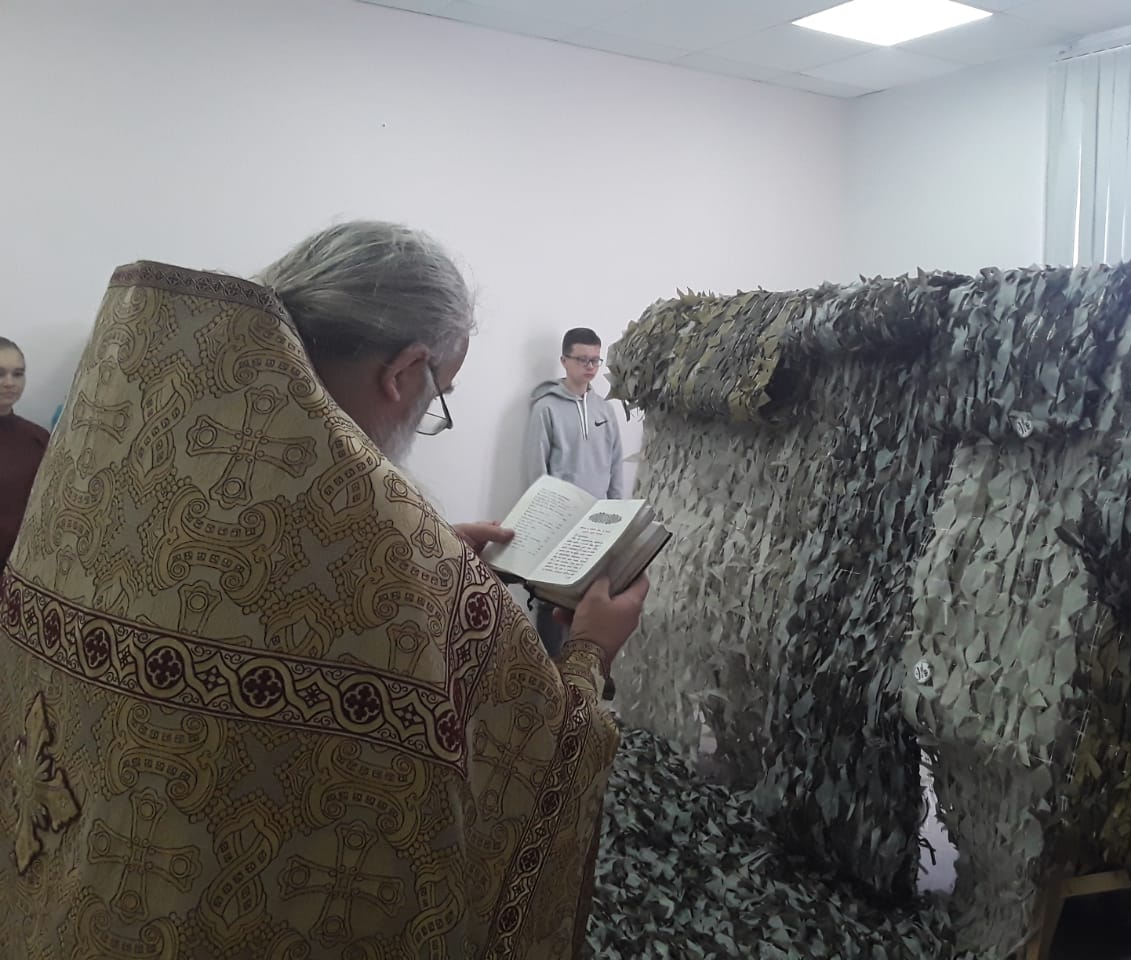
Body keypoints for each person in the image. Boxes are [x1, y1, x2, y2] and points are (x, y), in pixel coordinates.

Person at [0, 222, 647, 959]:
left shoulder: (119, 457)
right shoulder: (394, 557)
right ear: (405, 371)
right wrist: (590, 649)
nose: (427, 418)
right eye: (440, 396)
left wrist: (422, 554)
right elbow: (531, 766)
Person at [524, 329, 624, 659]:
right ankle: (548, 672)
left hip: (597, 525)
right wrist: (543, 521)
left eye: (595, 360)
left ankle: (582, 670)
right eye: (582, 359)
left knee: (590, 603)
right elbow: (536, 471)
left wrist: (617, 517)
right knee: (552, 603)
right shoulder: (546, 408)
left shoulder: (605, 410)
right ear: (564, 361)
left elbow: (615, 466)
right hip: (558, 526)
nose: (590, 366)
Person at [0, 337, 49, 570]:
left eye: (18, 374)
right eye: (0, 373)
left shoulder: (38, 438)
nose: (10, 383)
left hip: (21, 571)